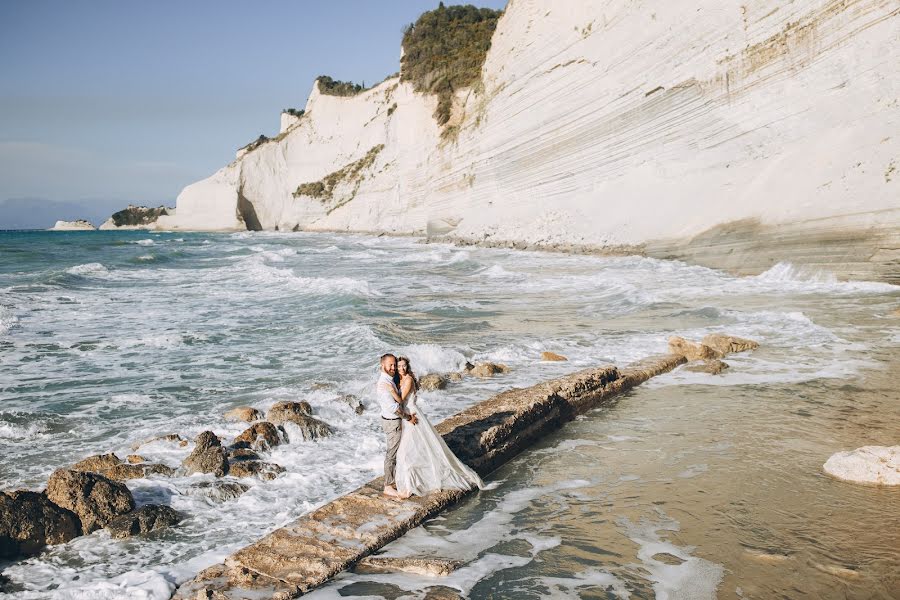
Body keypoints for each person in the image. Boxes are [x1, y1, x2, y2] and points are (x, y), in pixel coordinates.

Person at [393, 356, 484, 497]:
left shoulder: (409, 379)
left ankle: (410, 486)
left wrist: (388, 390)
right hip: (407, 416)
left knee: (406, 452)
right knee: (416, 449)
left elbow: (400, 399)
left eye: (404, 366)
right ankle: (413, 481)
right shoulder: (401, 379)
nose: (402, 369)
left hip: (412, 416)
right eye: (399, 367)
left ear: (407, 366)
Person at [376, 353, 418, 498]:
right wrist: (408, 418)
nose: (394, 367)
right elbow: (396, 408)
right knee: (392, 454)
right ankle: (388, 486)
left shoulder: (390, 379)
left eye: (396, 364)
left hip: (393, 420)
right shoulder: (384, 385)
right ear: (382, 365)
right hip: (393, 422)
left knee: (399, 452)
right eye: (391, 365)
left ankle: (395, 481)